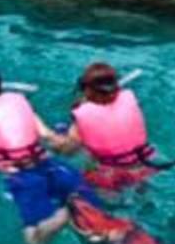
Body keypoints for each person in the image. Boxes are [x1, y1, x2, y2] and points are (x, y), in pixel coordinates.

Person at [0, 61, 118, 244]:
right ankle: (95, 225)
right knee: (95, 227)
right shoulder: (21, 107)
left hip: (23, 179)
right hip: (52, 166)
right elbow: (50, 138)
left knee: (34, 241)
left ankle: (66, 214)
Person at [60, 62, 158, 192]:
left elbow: (68, 151)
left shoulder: (83, 114)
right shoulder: (129, 98)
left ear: (86, 89)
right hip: (146, 165)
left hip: (110, 174)